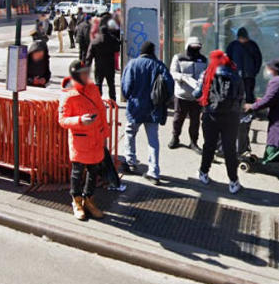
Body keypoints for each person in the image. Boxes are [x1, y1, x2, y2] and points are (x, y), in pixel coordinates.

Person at [58, 60, 109, 221]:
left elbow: (101, 109)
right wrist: (80, 120)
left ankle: (89, 199)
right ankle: (77, 201)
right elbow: (63, 120)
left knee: (94, 172)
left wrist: (105, 131)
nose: (87, 75)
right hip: (80, 141)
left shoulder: (93, 89)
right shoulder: (68, 95)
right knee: (77, 172)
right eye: (84, 73)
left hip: (95, 138)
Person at [120, 41, 174, 183]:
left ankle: (131, 161)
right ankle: (154, 171)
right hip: (153, 109)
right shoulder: (159, 66)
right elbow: (169, 87)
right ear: (153, 51)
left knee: (130, 133)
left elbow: (125, 88)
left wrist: (130, 98)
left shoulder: (132, 64)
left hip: (135, 108)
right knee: (153, 141)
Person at [195, 49, 245, 194]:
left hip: (210, 115)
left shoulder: (207, 73)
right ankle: (233, 181)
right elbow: (241, 96)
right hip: (231, 117)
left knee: (209, 145)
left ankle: (204, 173)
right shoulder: (236, 75)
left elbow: (197, 93)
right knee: (230, 149)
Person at [226, 27, 263, 157]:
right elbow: (227, 59)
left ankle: (250, 111)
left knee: (249, 94)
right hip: (237, 75)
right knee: (237, 94)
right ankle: (238, 109)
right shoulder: (233, 45)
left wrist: (254, 71)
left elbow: (258, 59)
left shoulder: (251, 45)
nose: (243, 40)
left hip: (248, 75)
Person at [169, 36, 207, 150]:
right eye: (193, 47)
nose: (195, 50)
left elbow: (207, 73)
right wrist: (182, 77)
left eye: (197, 48)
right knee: (178, 118)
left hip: (196, 96)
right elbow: (173, 72)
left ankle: (194, 142)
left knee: (195, 121)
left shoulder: (203, 59)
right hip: (182, 94)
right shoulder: (179, 57)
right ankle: (175, 138)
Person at [84, 14, 122, 101]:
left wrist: (87, 66)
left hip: (99, 65)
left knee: (98, 83)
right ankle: (113, 100)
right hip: (110, 64)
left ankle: (98, 100)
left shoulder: (95, 40)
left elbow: (89, 55)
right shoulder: (112, 39)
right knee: (111, 83)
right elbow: (117, 48)